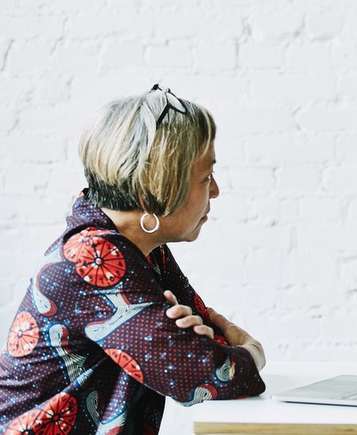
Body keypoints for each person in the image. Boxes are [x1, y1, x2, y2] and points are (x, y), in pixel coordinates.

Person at [0, 85, 266, 434]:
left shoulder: (141, 249)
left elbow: (208, 343)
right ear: (155, 187)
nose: (215, 190)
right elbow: (204, 375)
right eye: (205, 176)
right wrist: (254, 352)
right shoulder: (93, 258)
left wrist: (208, 350)